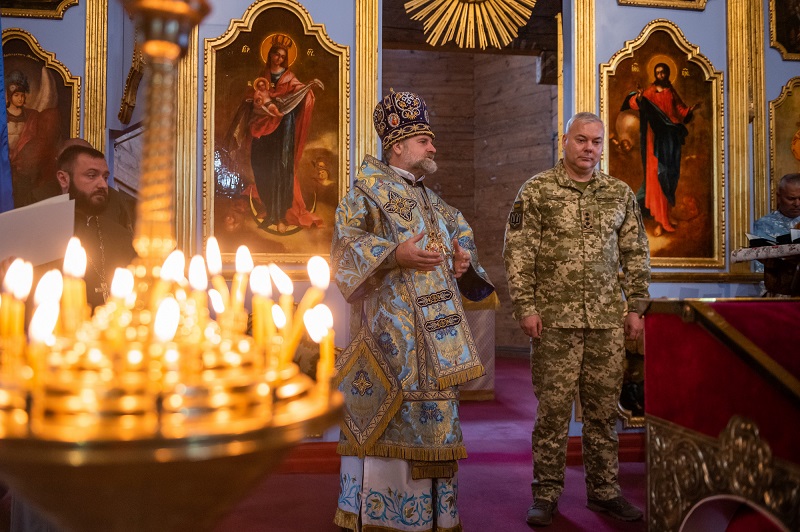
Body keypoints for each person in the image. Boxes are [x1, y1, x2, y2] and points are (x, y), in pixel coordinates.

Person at [331, 90, 494, 532]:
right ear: (398, 145)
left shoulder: (434, 203)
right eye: (424, 140)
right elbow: (344, 248)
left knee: (436, 427)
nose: (433, 147)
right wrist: (394, 255)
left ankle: (433, 520)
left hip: (437, 350)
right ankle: (384, 518)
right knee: (387, 422)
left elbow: (463, 237)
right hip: (389, 344)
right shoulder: (365, 194)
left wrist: (464, 261)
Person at [503, 112, 651, 527]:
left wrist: (636, 306)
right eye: (582, 139)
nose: (589, 148)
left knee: (603, 414)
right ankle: (545, 495)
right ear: (565, 140)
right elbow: (518, 252)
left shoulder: (619, 194)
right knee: (552, 414)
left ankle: (604, 492)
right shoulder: (537, 190)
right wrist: (526, 307)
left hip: (606, 322)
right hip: (554, 323)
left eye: (596, 142)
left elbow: (636, 252)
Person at [224, 34, 323, 234]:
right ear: (269, 55)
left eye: (282, 56)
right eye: (276, 54)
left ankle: (280, 215)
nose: (278, 59)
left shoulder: (290, 78)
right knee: (260, 166)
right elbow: (252, 98)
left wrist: (307, 91)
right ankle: (269, 208)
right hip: (261, 129)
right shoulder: (262, 77)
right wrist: (252, 100)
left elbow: (301, 94)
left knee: (279, 169)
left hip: (282, 131)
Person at [622, 63, 700, 236]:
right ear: (655, 74)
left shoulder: (670, 91)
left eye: (663, 72)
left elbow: (680, 110)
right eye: (658, 72)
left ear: (667, 73)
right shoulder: (650, 92)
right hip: (654, 141)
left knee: (670, 176)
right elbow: (635, 103)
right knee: (658, 177)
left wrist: (689, 111)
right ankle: (660, 221)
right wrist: (639, 97)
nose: (661, 75)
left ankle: (667, 215)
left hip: (670, 139)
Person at [56, 145, 136, 308]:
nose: (103, 185)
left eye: (105, 177)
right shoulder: (44, 233)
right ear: (64, 179)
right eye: (91, 175)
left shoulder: (122, 237)